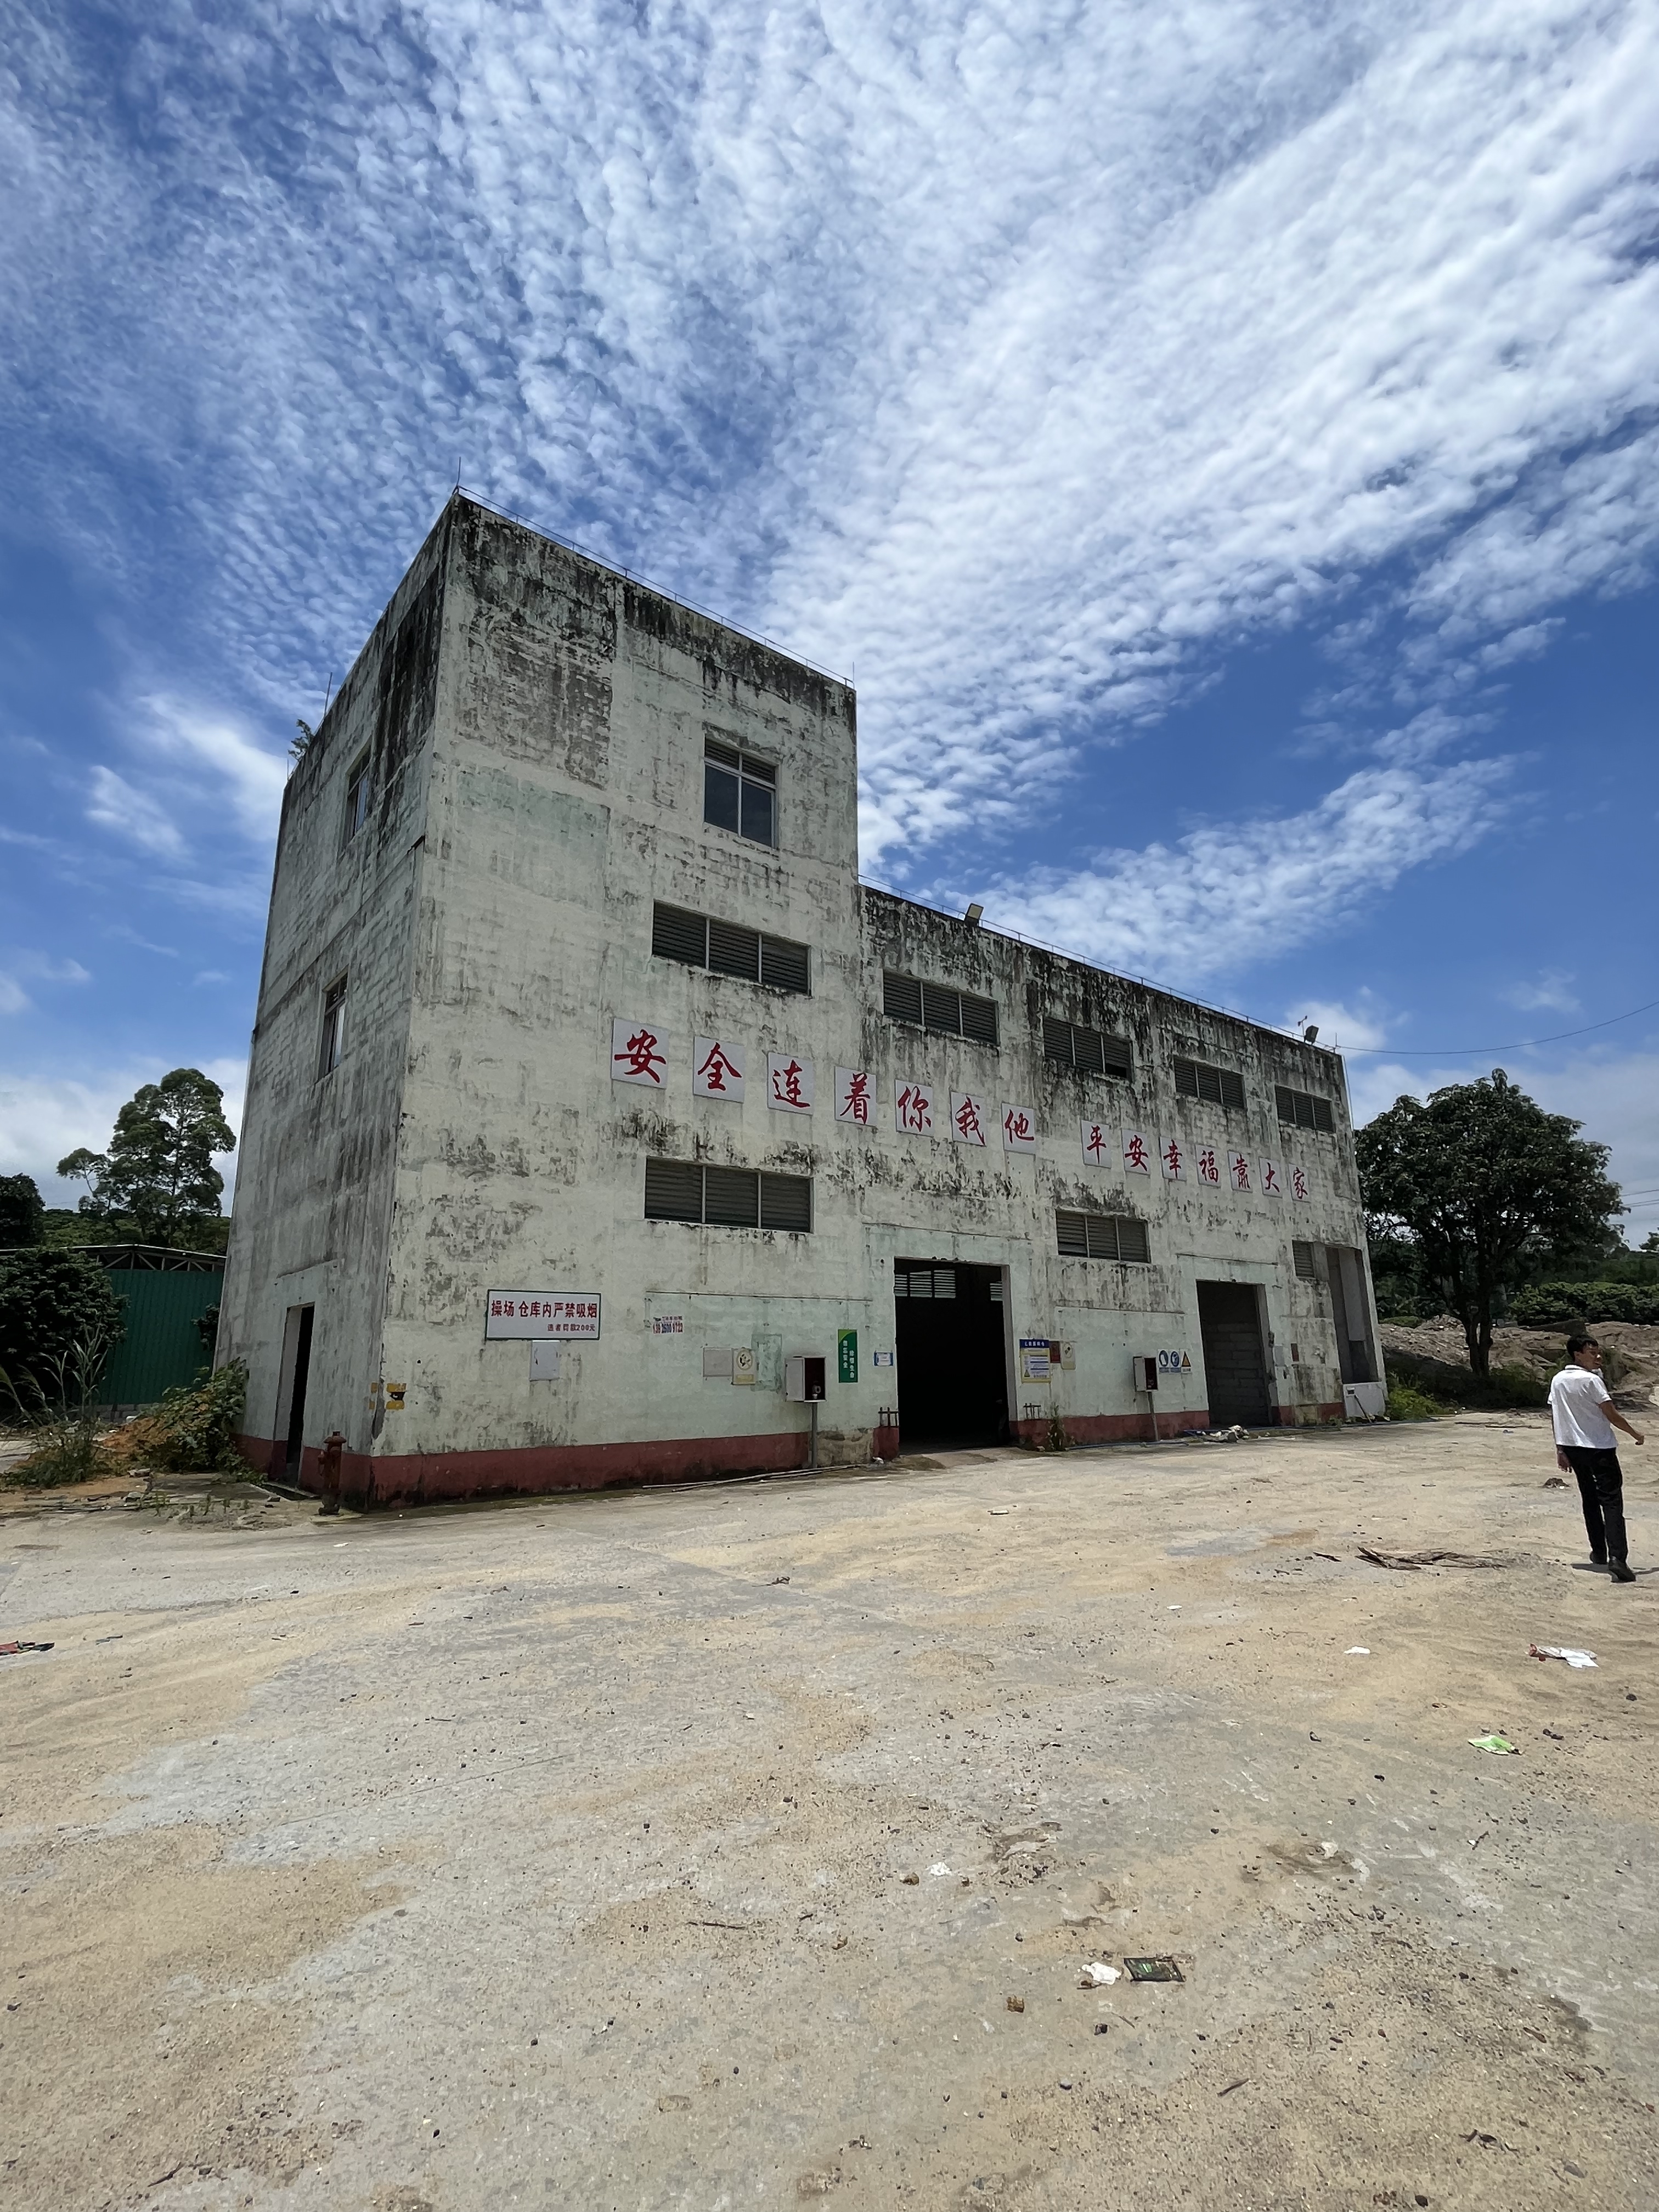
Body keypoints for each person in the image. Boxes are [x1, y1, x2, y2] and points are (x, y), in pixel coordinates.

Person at [1549, 1336, 1644, 1582]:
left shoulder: (1558, 1379)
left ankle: (1599, 1552)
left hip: (1573, 1448)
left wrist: (1560, 1449)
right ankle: (1618, 1558)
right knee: (1611, 1501)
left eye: (1598, 1352)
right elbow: (1611, 1413)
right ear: (1577, 1355)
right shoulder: (1592, 1380)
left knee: (1590, 1499)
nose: (1598, 1357)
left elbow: (1556, 1416)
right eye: (1592, 1353)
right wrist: (1635, 1433)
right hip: (1599, 1448)